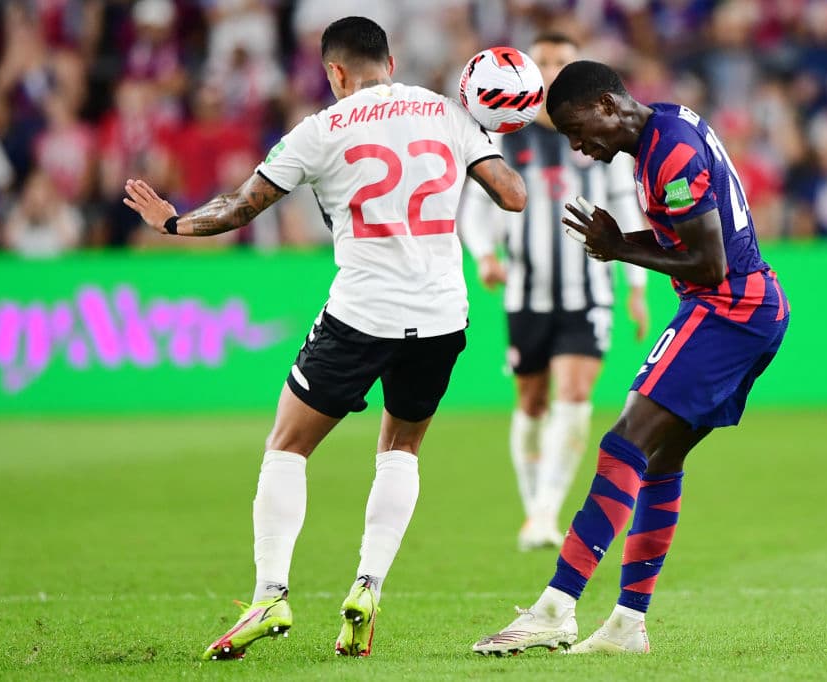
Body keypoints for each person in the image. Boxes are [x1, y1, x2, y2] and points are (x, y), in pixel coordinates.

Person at [122, 16, 525, 659]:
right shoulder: (445, 111)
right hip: (443, 314)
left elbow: (239, 207)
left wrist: (171, 223)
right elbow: (512, 195)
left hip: (362, 314)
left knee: (287, 444)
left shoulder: (317, 131)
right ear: (390, 61)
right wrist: (492, 128)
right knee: (401, 448)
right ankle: (368, 585)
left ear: (334, 72)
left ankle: (270, 594)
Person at [472, 60, 789, 655]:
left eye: (577, 129)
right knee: (660, 460)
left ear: (608, 105)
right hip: (741, 310)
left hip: (728, 309)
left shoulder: (669, 151)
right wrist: (622, 244)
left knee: (624, 442)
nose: (578, 145)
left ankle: (556, 607)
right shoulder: (660, 132)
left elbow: (710, 262)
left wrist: (621, 251)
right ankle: (626, 625)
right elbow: (690, 242)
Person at [459, 32, 648, 553]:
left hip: (589, 290)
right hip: (526, 291)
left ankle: (545, 512)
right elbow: (476, 208)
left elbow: (626, 208)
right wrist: (486, 255)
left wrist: (635, 285)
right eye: (543, 61)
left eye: (562, 60)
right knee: (531, 400)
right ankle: (533, 509)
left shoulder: (602, 138)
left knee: (575, 393)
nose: (552, 68)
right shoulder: (505, 135)